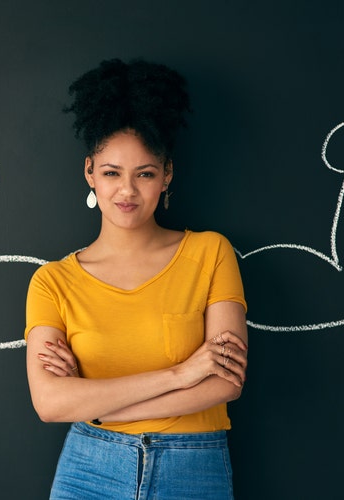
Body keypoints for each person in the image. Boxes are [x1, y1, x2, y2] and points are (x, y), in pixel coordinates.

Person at [24, 58, 248, 500]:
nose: (127, 191)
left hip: (192, 467)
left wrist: (97, 405)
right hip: (88, 468)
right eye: (112, 173)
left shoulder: (209, 253)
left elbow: (226, 382)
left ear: (167, 174)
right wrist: (182, 374)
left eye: (144, 173)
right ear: (90, 172)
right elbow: (50, 404)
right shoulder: (52, 282)